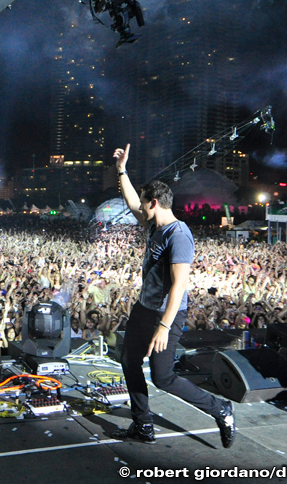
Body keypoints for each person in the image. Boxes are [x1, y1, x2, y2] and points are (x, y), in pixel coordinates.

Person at [110, 143, 235, 448]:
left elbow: (179, 284)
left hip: (167, 314)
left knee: (163, 377)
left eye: (144, 202)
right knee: (129, 362)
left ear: (154, 202)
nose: (140, 207)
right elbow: (130, 204)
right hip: (144, 308)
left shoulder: (178, 235)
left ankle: (221, 409)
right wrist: (122, 171)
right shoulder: (154, 224)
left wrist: (165, 326)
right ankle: (143, 425)